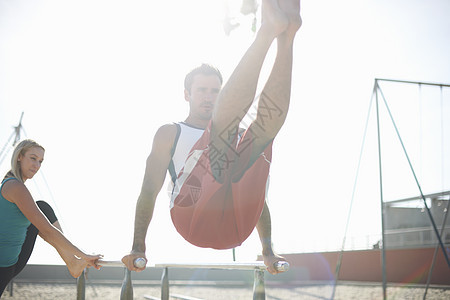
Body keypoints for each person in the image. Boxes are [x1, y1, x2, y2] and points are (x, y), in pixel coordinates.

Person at [122, 0, 301, 275]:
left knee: (259, 140)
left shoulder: (238, 136)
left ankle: (286, 39)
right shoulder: (170, 133)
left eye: (216, 91)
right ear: (187, 94)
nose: (209, 96)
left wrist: (267, 250)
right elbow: (149, 189)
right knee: (222, 135)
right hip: (191, 216)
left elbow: (256, 196)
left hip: (236, 224)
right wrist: (138, 246)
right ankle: (267, 33)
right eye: (202, 90)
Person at [0, 139, 101, 297]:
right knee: (43, 215)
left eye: (40, 161)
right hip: (3, 265)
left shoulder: (12, 185)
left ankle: (72, 261)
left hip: (9, 262)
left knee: (42, 208)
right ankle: (73, 260)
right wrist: (83, 254)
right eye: (33, 158)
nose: (37, 165)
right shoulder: (14, 186)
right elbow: (48, 229)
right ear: (19, 156)